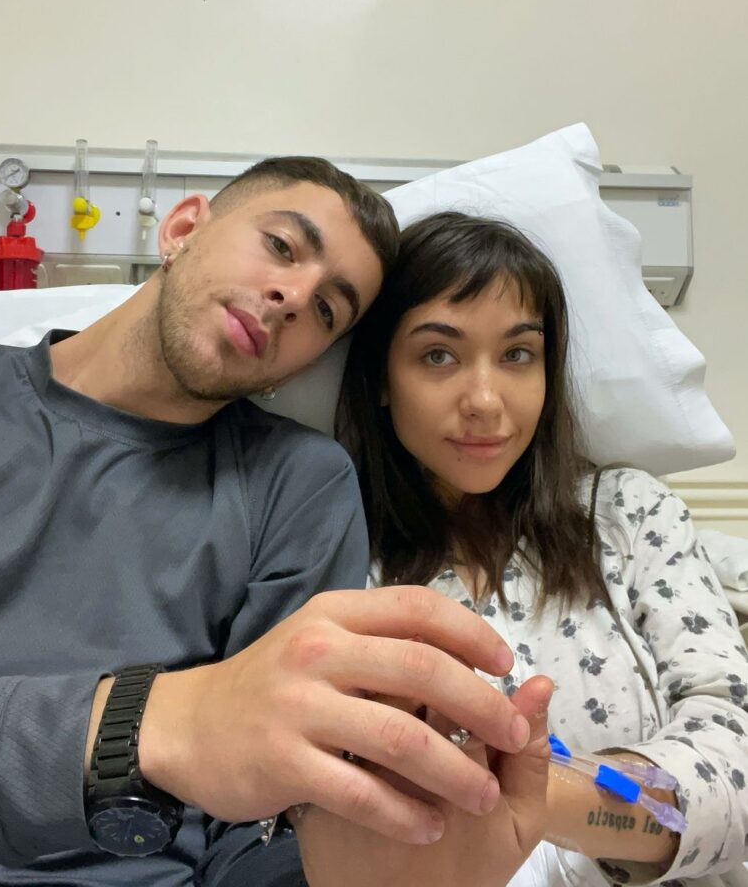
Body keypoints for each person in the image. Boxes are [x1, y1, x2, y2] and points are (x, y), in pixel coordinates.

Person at [0, 161, 536, 887]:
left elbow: (255, 827)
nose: (294, 298)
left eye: (327, 312)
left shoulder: (298, 487)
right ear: (184, 228)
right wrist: (151, 726)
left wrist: (339, 868)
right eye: (281, 246)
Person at [298, 212, 748, 886]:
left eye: (517, 355)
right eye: (438, 355)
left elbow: (736, 753)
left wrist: (533, 800)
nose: (485, 401)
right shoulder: (336, 564)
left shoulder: (628, 514)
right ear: (382, 379)